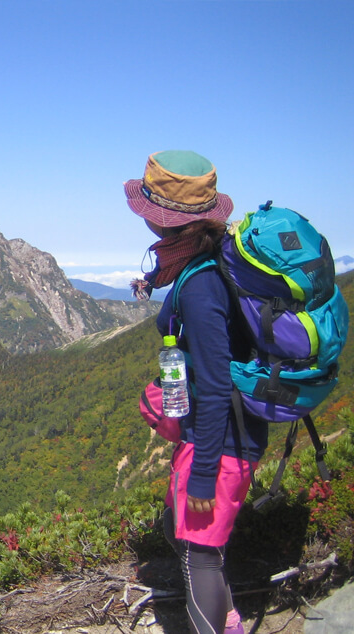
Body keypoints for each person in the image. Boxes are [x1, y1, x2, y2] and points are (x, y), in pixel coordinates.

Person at [125, 151, 268, 634]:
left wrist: (204, 474)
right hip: (223, 432)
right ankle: (227, 618)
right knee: (177, 531)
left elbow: (213, 384)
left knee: (200, 556)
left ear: (163, 221)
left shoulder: (202, 287)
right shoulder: (209, 255)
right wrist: (151, 281)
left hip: (222, 440)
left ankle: (218, 624)